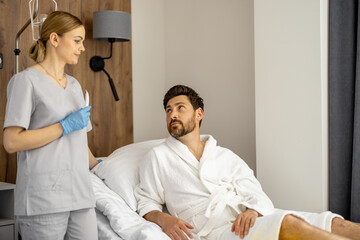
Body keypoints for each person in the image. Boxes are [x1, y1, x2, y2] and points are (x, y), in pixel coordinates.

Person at [134, 85, 360, 240]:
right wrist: (163, 219)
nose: (172, 114)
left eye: (180, 108)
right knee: (290, 224)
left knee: (335, 224)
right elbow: (146, 202)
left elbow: (254, 189)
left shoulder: (223, 154)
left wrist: (254, 210)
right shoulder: (158, 156)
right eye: (168, 110)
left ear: (198, 114)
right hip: (216, 231)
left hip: (245, 218)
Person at [3, 11, 99, 240]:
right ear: (55, 39)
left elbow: (78, 142)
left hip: (81, 197)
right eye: (77, 41)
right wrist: (63, 126)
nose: (82, 48)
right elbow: (11, 141)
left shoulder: (75, 86)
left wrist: (100, 168)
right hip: (44, 201)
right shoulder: (25, 81)